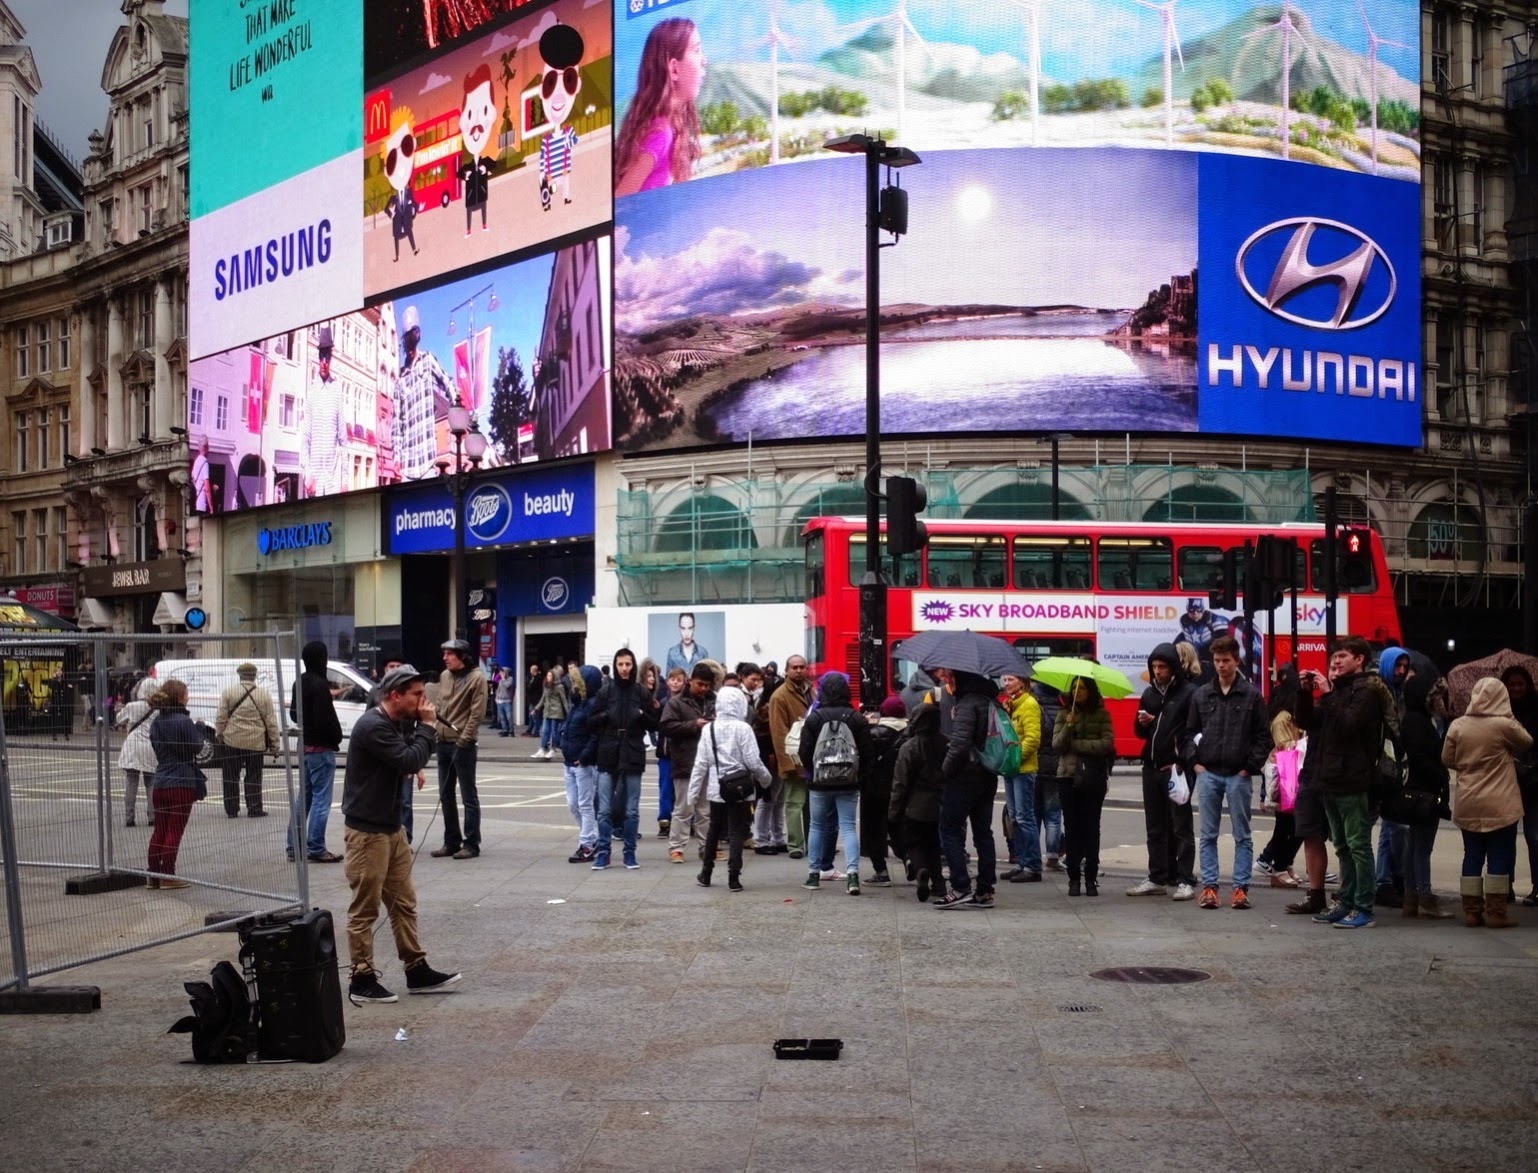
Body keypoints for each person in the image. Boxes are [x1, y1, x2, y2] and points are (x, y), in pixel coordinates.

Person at [340, 664, 462, 1005]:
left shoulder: (393, 724)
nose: (424, 701)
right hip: (367, 833)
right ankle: (361, 976)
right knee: (365, 908)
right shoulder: (372, 726)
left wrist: (415, 755)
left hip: (391, 829)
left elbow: (406, 757)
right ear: (395, 696)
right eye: (417, 695)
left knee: (404, 902)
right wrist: (426, 729)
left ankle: (416, 968)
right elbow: (407, 758)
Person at [1292, 637, 1385, 929]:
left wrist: (1328, 692)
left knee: (1358, 845)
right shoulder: (1340, 691)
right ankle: (1345, 902)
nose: (1335, 661)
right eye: (1333, 657)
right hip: (1328, 779)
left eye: (1343, 656)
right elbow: (1308, 721)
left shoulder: (1367, 692)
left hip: (1353, 779)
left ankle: (1364, 907)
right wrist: (1305, 694)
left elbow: (1348, 725)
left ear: (1359, 660)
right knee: (1342, 846)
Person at [1184, 636, 1271, 911]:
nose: (1221, 666)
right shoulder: (1201, 695)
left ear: (1237, 661)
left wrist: (1250, 767)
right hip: (1208, 771)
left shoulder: (1252, 695)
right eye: (1217, 661)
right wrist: (1195, 763)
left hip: (1238, 774)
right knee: (1208, 834)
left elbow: (1263, 736)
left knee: (1242, 835)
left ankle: (1240, 889)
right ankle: (1209, 888)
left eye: (1226, 661)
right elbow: (1188, 733)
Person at [1443, 677, 1533, 928]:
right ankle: (1496, 912)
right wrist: (1510, 718)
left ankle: (1472, 911)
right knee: (1499, 856)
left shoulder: (1458, 725)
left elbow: (1447, 758)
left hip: (1469, 800)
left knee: (1471, 854)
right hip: (1500, 803)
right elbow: (1527, 742)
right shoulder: (1504, 725)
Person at [1129, 643, 1197, 900]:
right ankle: (1156, 877)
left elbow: (1193, 732)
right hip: (1152, 767)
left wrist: (1183, 762)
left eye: (1162, 667)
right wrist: (1141, 722)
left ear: (1173, 668)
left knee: (1181, 828)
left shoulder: (1189, 693)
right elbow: (1140, 733)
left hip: (1176, 769)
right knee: (1154, 827)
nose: (1158, 671)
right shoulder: (1149, 695)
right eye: (1154, 667)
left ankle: (1186, 879)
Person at [798, 671, 873, 895]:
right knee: (849, 827)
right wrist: (860, 776)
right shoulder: (855, 717)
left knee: (816, 826)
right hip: (848, 781)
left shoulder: (814, 718)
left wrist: (813, 772)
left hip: (819, 783)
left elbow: (804, 752)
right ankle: (852, 876)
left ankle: (813, 875)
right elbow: (868, 752)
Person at [932, 668, 1001, 909]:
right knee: (983, 832)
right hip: (987, 773)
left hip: (965, 775)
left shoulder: (967, 704)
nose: (947, 682)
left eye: (951, 678)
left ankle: (960, 886)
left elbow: (960, 744)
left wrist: (945, 770)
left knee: (949, 828)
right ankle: (985, 890)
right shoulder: (991, 701)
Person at [690, 686, 771, 891]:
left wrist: (693, 791)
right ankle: (733, 876)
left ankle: (706, 873)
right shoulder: (744, 729)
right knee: (736, 831)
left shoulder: (709, 729)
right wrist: (765, 780)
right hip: (741, 788)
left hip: (718, 788)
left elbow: (701, 763)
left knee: (714, 830)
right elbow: (753, 761)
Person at [614, 18, 705, 197]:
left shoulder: (667, 128)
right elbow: (621, 198)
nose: (704, 60)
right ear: (674, 70)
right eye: (696, 50)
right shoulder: (660, 133)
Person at [589, 647, 661, 870]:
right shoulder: (606, 691)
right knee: (604, 810)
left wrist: (642, 714)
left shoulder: (640, 692)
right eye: (620, 664)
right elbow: (591, 721)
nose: (624, 668)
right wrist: (606, 716)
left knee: (631, 809)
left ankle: (630, 852)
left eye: (628, 664)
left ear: (633, 665)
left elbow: (655, 723)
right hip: (608, 750)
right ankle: (604, 852)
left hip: (632, 750)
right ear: (615, 665)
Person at [1053, 677, 1115, 898]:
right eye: (1074, 688)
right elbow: (1057, 746)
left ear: (1091, 691)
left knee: (1091, 828)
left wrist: (1077, 745)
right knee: (1072, 829)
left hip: (1092, 778)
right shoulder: (1063, 714)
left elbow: (1106, 744)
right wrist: (1069, 727)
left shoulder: (1102, 714)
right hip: (1067, 777)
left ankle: (1091, 877)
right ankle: (1073, 879)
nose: (1077, 692)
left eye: (1082, 688)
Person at [1398, 673, 1453, 919]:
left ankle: (1412, 897)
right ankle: (1425, 897)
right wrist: (1441, 777)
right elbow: (1421, 758)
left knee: (1414, 845)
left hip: (1414, 791)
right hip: (1424, 792)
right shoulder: (1419, 721)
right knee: (1422, 846)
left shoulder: (1412, 719)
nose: (1438, 700)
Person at [430, 639, 487, 860]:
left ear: (462, 656)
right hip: (442, 742)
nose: (445, 658)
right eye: (444, 654)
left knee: (468, 796)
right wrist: (436, 732)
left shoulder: (476, 678)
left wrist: (464, 739)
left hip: (462, 745)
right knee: (446, 795)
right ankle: (451, 841)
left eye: (450, 654)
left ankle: (472, 843)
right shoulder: (444, 676)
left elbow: (477, 714)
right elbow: (439, 707)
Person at [146, 680, 204, 890]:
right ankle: (168, 875)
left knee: (159, 829)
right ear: (179, 696)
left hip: (160, 780)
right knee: (174, 830)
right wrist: (200, 729)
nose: (188, 697)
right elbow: (196, 747)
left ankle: (153, 874)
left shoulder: (156, 722)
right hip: (181, 781)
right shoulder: (183, 722)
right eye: (186, 693)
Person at [290, 640, 344, 864]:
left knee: (304, 797)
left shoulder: (299, 682)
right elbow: (325, 719)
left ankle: (294, 846)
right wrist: (336, 737)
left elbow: (294, 714)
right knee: (322, 799)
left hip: (304, 745)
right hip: (321, 748)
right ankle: (316, 846)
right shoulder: (320, 684)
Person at [1254, 666, 1305, 889]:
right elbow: (1284, 748)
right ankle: (1276, 865)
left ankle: (1280, 863)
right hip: (1288, 773)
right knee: (1291, 824)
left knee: (1288, 824)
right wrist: (1305, 743)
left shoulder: (1291, 716)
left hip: (1293, 772)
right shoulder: (1283, 718)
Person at [891, 703, 946, 903]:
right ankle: (939, 884)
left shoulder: (910, 747)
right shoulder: (946, 743)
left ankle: (920, 868)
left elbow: (900, 783)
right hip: (940, 803)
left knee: (914, 842)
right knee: (933, 843)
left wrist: (894, 811)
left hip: (915, 805)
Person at [391, 306, 453, 482]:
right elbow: (397, 424)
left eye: (413, 338)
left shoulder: (427, 361)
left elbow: (447, 382)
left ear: (417, 336)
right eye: (407, 341)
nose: (410, 346)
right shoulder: (400, 380)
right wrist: (397, 457)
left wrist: (457, 405)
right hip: (407, 467)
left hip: (427, 461)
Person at [662, 662, 716, 862]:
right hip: (685, 761)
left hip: (709, 762)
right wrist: (693, 725)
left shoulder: (714, 701)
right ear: (690, 680)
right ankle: (676, 848)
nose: (704, 689)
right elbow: (666, 726)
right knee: (683, 808)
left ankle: (707, 846)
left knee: (706, 809)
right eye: (700, 684)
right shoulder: (676, 702)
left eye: (707, 685)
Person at [214, 662, 279, 819]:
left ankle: (231, 809)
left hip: (233, 740)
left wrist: (220, 734)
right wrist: (275, 744)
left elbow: (221, 717)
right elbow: (271, 721)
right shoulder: (263, 695)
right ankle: (254, 807)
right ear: (254, 676)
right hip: (255, 742)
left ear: (240, 675)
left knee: (230, 775)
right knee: (254, 776)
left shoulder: (229, 692)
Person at [999, 672, 1044, 884]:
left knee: (1025, 817)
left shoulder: (1029, 704)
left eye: (1011, 679)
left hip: (1023, 769)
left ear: (1023, 683)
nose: (1006, 683)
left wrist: (1014, 759)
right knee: (1015, 818)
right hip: (1011, 768)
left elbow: (1032, 740)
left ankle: (1033, 865)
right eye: (1004, 680)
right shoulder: (1011, 705)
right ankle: (1021, 862)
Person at [768, 654, 813, 858]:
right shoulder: (780, 696)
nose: (798, 670)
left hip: (812, 757)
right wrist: (786, 764)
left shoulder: (811, 690)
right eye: (794, 667)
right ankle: (795, 844)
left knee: (812, 805)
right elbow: (778, 733)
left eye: (802, 667)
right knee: (795, 804)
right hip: (794, 758)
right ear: (786, 670)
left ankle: (813, 843)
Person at [1500, 666, 1538, 905]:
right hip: (1507, 782)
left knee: (1534, 837)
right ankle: (1506, 887)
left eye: (1520, 683)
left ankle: (1537, 887)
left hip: (1534, 782)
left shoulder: (1536, 710)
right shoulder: (1500, 712)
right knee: (1506, 837)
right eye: (1511, 684)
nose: (1516, 688)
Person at [560, 665, 604, 863]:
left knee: (585, 805)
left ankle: (586, 844)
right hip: (570, 761)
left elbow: (595, 736)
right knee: (573, 804)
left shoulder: (593, 705)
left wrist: (585, 756)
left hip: (582, 763)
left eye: (576, 681)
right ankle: (592, 838)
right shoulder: (578, 703)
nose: (572, 684)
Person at [116, 677, 159, 828]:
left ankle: (129, 817)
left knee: (131, 781)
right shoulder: (158, 709)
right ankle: (153, 816)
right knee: (151, 782)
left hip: (133, 744)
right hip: (149, 746)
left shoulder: (132, 706)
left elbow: (118, 719)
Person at [1032, 677, 1065, 870]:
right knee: (1053, 814)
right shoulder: (1062, 711)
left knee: (1034, 813)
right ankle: (1052, 856)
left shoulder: (1035, 710)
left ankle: (1034, 854)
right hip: (1055, 769)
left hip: (1036, 767)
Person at [655, 666, 686, 839]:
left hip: (682, 753)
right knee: (665, 788)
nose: (675, 682)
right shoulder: (662, 702)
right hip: (666, 753)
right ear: (667, 681)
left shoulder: (687, 702)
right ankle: (664, 820)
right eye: (672, 679)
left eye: (679, 680)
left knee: (684, 790)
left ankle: (686, 820)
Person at [532, 668, 569, 760]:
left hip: (556, 712)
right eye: (547, 675)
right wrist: (536, 709)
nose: (548, 677)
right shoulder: (546, 686)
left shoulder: (559, 687)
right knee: (545, 731)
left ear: (554, 677)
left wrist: (568, 713)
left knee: (554, 732)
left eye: (550, 676)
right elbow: (543, 699)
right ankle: (542, 749)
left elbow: (564, 700)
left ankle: (552, 749)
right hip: (547, 711)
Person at [494, 666, 515, 736]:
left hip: (507, 700)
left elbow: (507, 686)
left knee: (509, 717)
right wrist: (496, 698)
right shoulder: (500, 681)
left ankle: (511, 730)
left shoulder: (510, 679)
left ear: (506, 672)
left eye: (502, 672)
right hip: (500, 700)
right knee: (502, 717)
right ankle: (505, 730)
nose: (501, 673)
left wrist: (503, 679)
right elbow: (498, 690)